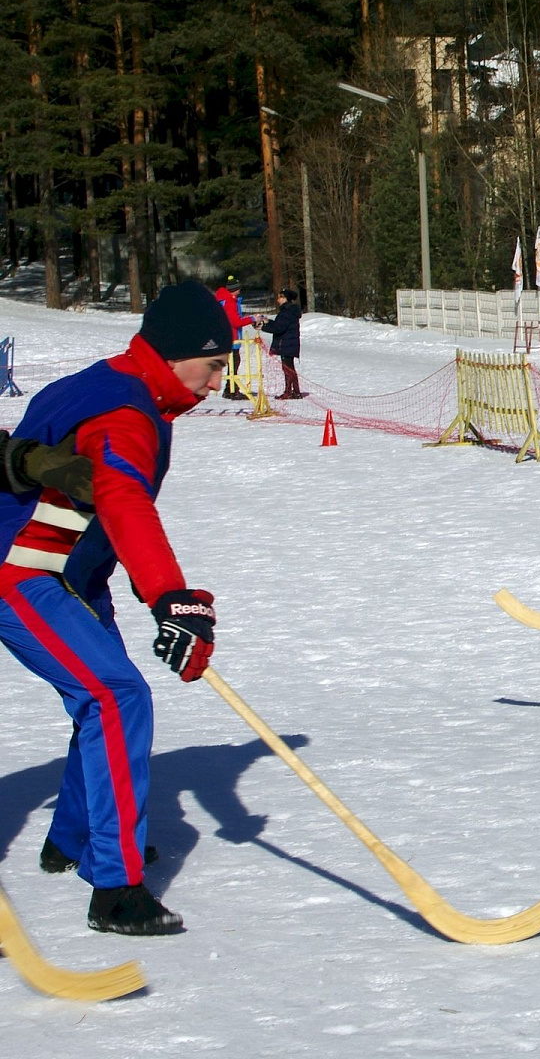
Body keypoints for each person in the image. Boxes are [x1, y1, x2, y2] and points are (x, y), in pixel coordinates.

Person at [0, 281, 231, 935]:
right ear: (179, 353)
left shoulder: (114, 384)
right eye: (213, 364)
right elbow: (124, 498)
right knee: (117, 696)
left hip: (73, 571)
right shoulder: (127, 414)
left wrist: (141, 584)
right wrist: (170, 595)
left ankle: (72, 837)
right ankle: (116, 889)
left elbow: (104, 509)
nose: (218, 381)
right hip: (24, 569)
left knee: (101, 698)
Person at [256, 288, 304, 400]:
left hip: (287, 343)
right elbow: (279, 324)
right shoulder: (288, 311)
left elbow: (279, 328)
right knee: (289, 367)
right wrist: (268, 321)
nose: (278, 300)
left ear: (286, 298)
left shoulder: (287, 311)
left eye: (281, 297)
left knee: (287, 368)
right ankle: (295, 391)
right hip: (289, 343)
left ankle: (290, 392)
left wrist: (263, 326)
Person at [213, 276, 248, 399]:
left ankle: (230, 388)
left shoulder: (224, 299)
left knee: (233, 363)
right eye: (238, 289)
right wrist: (252, 319)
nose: (239, 292)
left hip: (227, 337)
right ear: (234, 289)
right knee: (234, 363)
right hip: (232, 337)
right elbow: (236, 322)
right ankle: (232, 390)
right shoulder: (229, 301)